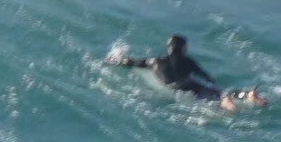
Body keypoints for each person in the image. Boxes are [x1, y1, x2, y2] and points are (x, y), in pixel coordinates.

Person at [109, 35, 267, 110]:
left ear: (169, 48)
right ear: (183, 48)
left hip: (175, 87)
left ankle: (228, 102)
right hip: (190, 84)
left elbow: (130, 62)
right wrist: (212, 83)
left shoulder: (154, 61)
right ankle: (245, 95)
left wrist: (115, 59)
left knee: (212, 98)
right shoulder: (189, 62)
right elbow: (206, 77)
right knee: (220, 94)